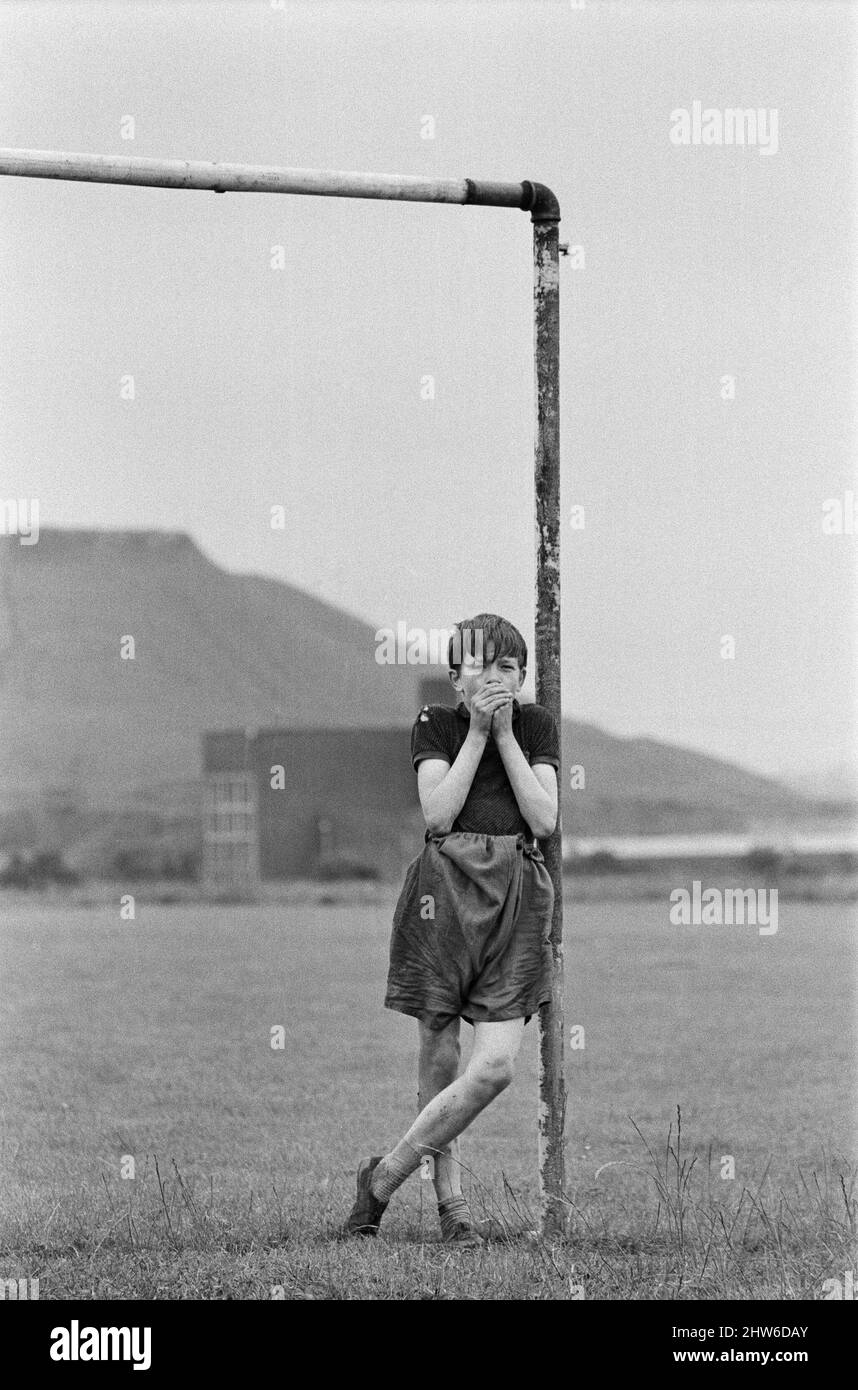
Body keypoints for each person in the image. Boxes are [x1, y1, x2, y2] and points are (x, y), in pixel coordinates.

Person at [342, 613, 559, 1245]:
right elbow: (438, 813)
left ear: (521, 679)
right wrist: (477, 736)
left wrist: (507, 735)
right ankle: (452, 1205)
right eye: (481, 666)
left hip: (516, 898)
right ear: (455, 675)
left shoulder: (538, 724)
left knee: (493, 1069)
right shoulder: (435, 724)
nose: (495, 679)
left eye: (508, 669)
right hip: (443, 894)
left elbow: (543, 818)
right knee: (439, 1053)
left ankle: (382, 1177)